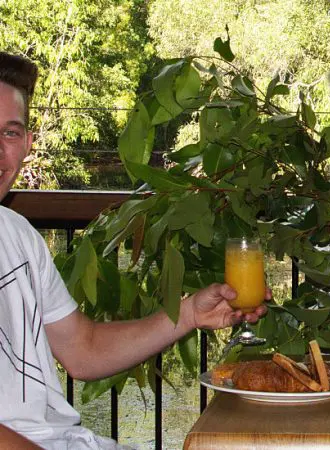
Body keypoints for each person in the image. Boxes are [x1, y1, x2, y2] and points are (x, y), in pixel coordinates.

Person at [0, 52, 270, 449]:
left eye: (10, 132)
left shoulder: (16, 234)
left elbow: (83, 350)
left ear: (27, 142)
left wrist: (189, 313)